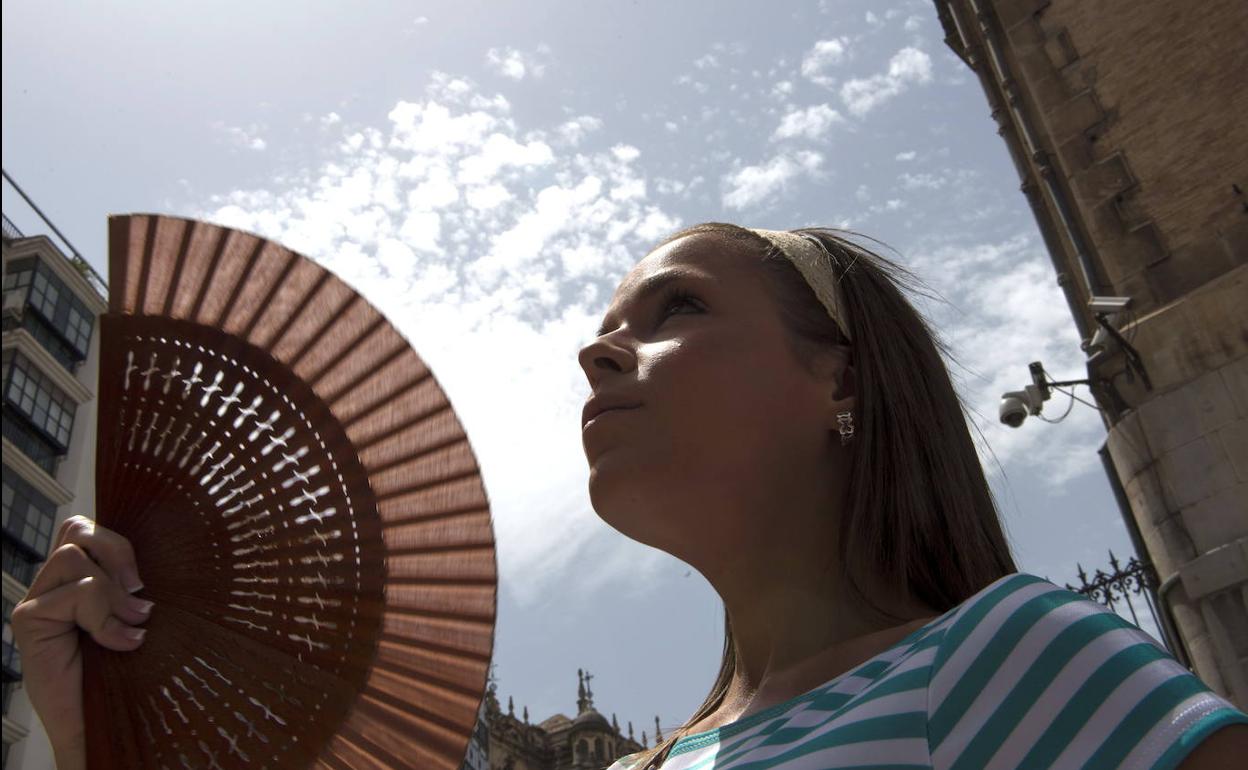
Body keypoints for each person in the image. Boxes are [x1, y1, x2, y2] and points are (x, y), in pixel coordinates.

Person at [12, 223, 1248, 769]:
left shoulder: (1001, 659)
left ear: (842, 384)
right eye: (606, 325)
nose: (598, 350)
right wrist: (102, 739)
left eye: (677, 308)